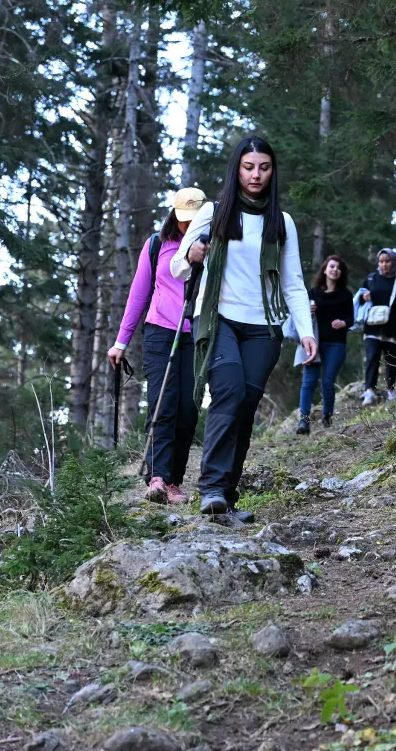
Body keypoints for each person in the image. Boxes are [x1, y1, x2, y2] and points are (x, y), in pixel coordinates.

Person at [171, 136, 316, 519]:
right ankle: (212, 488)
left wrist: (306, 331)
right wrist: (192, 252)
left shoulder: (281, 222)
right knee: (229, 392)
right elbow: (176, 267)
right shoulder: (213, 212)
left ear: (272, 171)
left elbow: (294, 283)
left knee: (246, 408)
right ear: (237, 169)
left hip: (264, 328)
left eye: (264, 168)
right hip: (218, 319)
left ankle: (226, 498)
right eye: (249, 167)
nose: (256, 175)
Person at [107, 187, 207, 504]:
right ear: (174, 215)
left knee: (188, 409)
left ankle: (175, 479)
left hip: (199, 333)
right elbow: (138, 295)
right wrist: (121, 342)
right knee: (163, 404)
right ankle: (158, 478)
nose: (188, 226)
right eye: (184, 219)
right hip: (160, 332)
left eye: (196, 220)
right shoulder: (156, 245)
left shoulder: (215, 247)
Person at [297, 255, 354, 434]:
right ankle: (304, 421)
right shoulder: (313, 293)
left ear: (341, 272)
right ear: (324, 269)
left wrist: (343, 323)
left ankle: (327, 416)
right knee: (308, 382)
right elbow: (300, 316)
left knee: (327, 382)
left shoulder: (346, 294)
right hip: (314, 343)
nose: (335, 269)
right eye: (332, 266)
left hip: (336, 344)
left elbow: (352, 318)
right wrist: (308, 309)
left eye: (339, 267)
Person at [357, 248, 396, 406]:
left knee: (391, 359)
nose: (384, 264)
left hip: (394, 328)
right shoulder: (371, 279)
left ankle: (391, 390)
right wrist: (363, 298)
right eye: (381, 261)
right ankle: (369, 391)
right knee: (372, 357)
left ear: (394, 262)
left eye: (387, 261)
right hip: (373, 327)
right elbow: (359, 299)